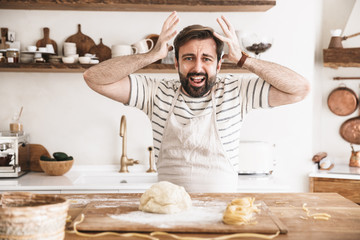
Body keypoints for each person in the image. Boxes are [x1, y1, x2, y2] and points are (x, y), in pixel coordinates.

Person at [83, 11, 310, 193]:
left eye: (207, 59)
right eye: (189, 58)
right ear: (176, 63)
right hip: (168, 214)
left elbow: (300, 89)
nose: (197, 68)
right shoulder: (155, 92)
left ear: (218, 65)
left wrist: (243, 58)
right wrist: (150, 56)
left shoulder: (237, 91)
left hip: (221, 214)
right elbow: (93, 78)